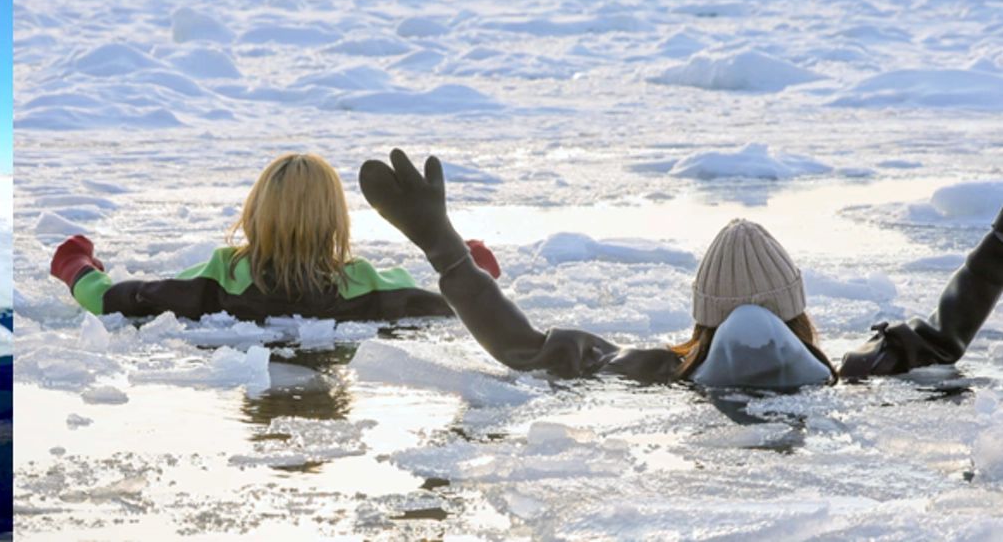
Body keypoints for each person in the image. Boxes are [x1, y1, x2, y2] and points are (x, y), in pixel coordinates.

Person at [358, 148, 1003, 388]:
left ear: (700, 317)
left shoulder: (651, 368)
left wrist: (443, 246)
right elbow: (947, 333)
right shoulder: (851, 372)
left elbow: (522, 349)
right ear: (799, 313)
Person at [49, 153, 464, 322]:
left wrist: (75, 262)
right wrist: (473, 261)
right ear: (336, 220)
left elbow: (108, 301)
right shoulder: (365, 281)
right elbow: (460, 303)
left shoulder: (220, 275)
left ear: (255, 212)